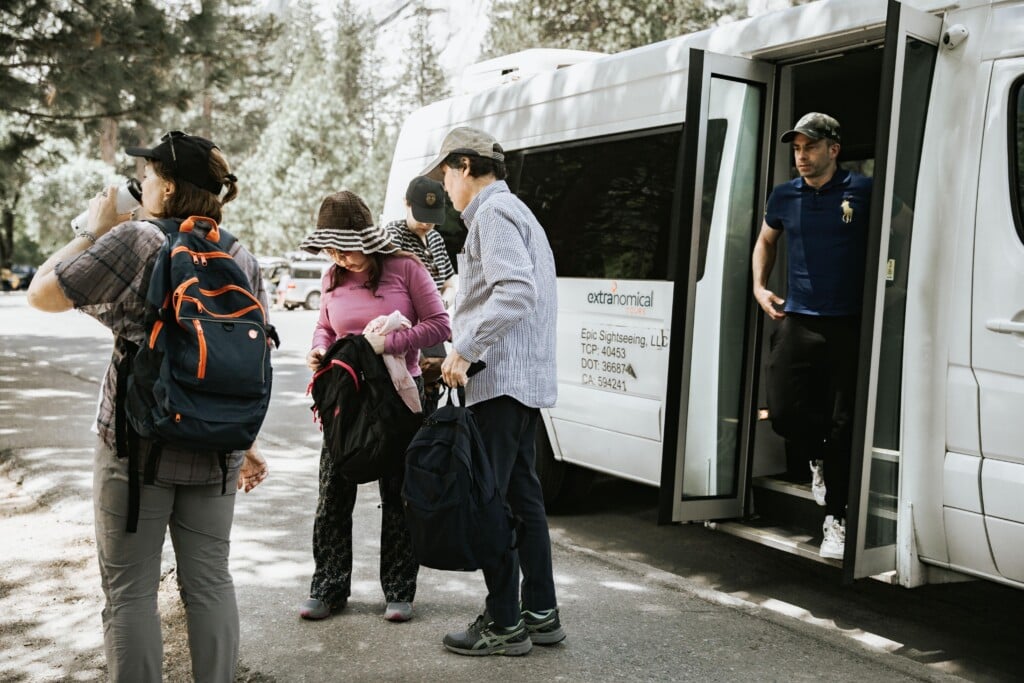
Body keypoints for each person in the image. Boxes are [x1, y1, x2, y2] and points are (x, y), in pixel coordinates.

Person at [26, 131, 270, 682]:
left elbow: (41, 293)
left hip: (137, 450)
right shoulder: (239, 256)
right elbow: (233, 362)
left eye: (151, 173)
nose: (143, 182)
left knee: (131, 592)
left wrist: (94, 228)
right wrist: (247, 444)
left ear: (168, 187)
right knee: (210, 582)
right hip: (215, 450)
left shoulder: (135, 240)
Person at [420, 126, 563, 656]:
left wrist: (465, 349)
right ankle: (541, 613)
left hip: (497, 383)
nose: (445, 189)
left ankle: (505, 621)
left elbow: (516, 290)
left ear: (463, 166)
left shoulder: (493, 214)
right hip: (519, 384)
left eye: (445, 176)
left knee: (490, 503)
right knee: (523, 499)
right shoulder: (518, 211)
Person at [299, 190, 450, 623]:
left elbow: (440, 325)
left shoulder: (407, 268)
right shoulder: (332, 277)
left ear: (365, 238)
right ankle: (328, 587)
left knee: (398, 495)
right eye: (329, 249)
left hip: (401, 398)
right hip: (347, 398)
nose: (338, 257)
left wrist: (390, 342)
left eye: (343, 247)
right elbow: (324, 327)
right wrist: (319, 350)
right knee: (333, 493)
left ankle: (399, 590)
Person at [751, 112, 872, 560]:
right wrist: (759, 287)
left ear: (833, 150)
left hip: (849, 322)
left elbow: (903, 229)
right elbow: (766, 241)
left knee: (843, 427)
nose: (801, 156)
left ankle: (835, 519)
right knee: (782, 412)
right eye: (797, 149)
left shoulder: (863, 190)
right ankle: (816, 461)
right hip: (798, 319)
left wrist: (893, 295)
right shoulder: (784, 195)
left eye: (810, 147)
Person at [384, 175, 458, 414]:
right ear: (407, 203)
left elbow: (450, 281)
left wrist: (443, 300)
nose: (427, 224)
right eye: (422, 216)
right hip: (408, 325)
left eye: (432, 219)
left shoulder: (436, 238)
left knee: (432, 387)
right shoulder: (393, 236)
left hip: (435, 321)